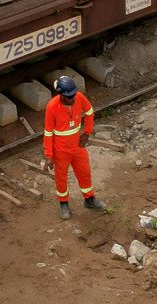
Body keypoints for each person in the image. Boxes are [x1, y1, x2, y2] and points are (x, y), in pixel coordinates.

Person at [42, 76, 103, 218]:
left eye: (74, 95)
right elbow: (48, 132)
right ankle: (63, 204)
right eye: (69, 97)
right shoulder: (52, 107)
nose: (73, 99)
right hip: (61, 150)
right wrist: (49, 156)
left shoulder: (79, 97)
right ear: (61, 95)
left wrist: (87, 134)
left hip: (77, 147)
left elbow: (89, 112)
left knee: (85, 172)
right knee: (61, 177)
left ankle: (89, 199)